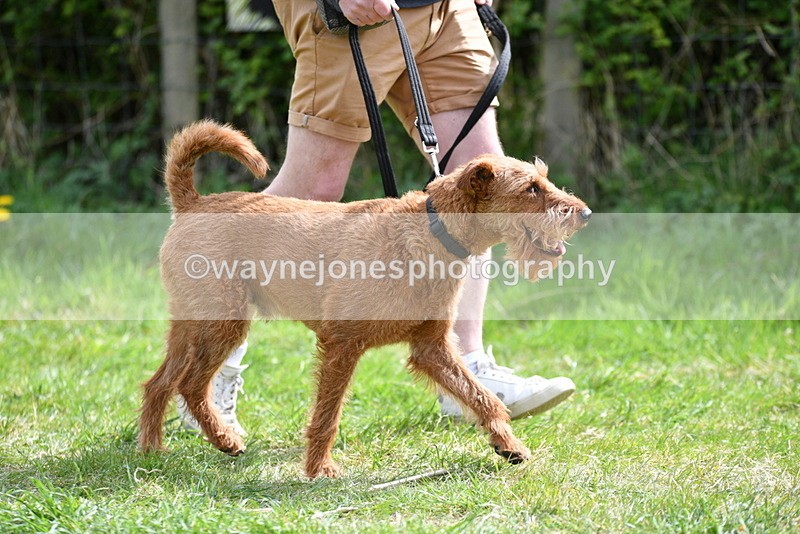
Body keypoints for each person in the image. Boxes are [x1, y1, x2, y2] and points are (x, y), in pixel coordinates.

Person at [177, 0, 575, 435]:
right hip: (352, 12)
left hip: (449, 10)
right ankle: (209, 369)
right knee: (315, 187)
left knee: (487, 177)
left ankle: (463, 367)